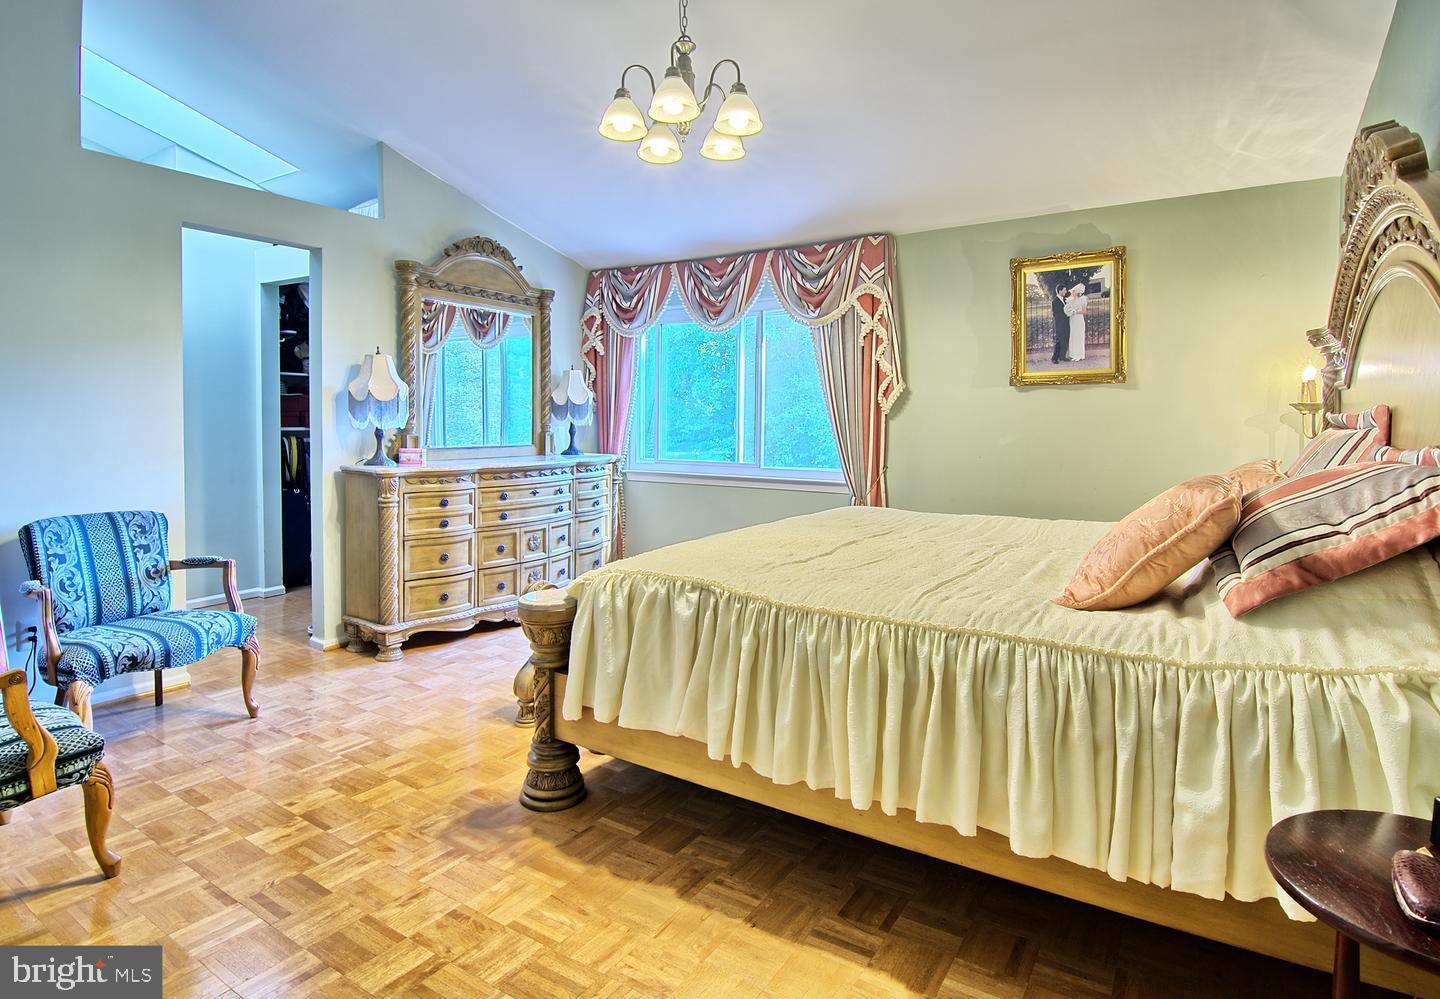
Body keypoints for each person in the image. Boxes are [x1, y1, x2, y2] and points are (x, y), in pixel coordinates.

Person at [1063, 281, 1088, 361]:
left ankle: (1079, 355)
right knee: (1073, 336)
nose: (1072, 293)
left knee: (1078, 336)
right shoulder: (1070, 300)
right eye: (1072, 291)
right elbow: (1067, 309)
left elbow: (1084, 311)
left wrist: (1075, 312)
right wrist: (1070, 312)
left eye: (1073, 291)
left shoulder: (1082, 300)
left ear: (1077, 292)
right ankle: (1074, 355)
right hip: (1072, 320)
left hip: (1079, 320)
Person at [1049, 284, 1070, 363]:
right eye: (1064, 290)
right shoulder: (1054, 301)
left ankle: (1062, 356)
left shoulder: (1065, 300)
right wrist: (1065, 314)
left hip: (1066, 324)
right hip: (1060, 324)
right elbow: (1055, 314)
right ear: (1060, 291)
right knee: (1059, 341)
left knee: (1065, 340)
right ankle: (1054, 358)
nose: (1066, 291)